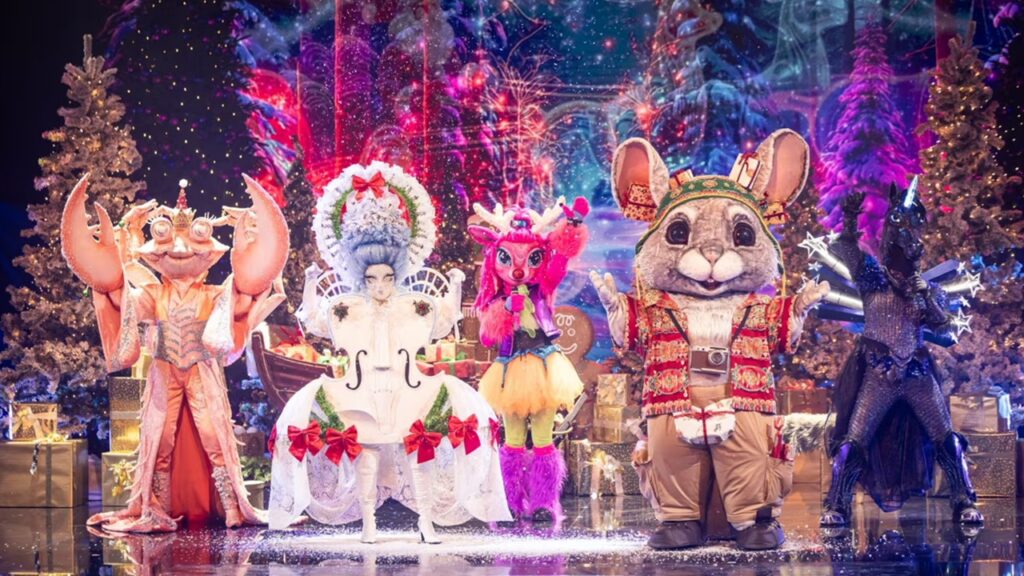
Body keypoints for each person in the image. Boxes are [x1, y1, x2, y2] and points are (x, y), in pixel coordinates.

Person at [268, 162, 511, 542]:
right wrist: (312, 285)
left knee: (418, 448)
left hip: (408, 388)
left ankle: (425, 521)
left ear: (397, 273)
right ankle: (368, 523)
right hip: (359, 391)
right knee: (366, 452)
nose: (380, 285)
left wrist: (455, 287)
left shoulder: (413, 305)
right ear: (360, 275)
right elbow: (314, 322)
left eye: (387, 277)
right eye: (371, 278)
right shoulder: (348, 307)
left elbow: (444, 320)